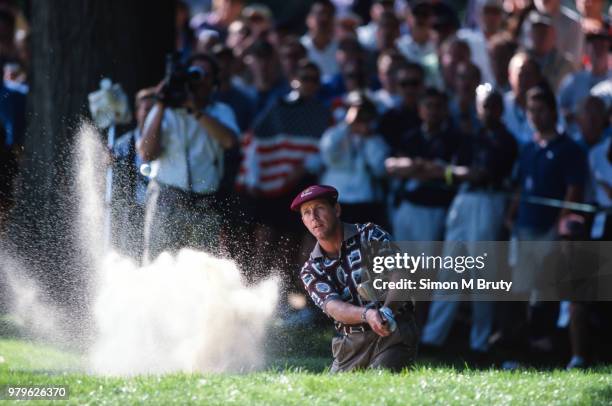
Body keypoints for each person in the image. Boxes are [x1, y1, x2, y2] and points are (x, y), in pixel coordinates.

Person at [421, 85, 518, 354]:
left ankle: (480, 342)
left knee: (481, 275)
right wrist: (454, 172)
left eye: (492, 105)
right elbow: (458, 171)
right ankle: (433, 338)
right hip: (463, 201)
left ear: (500, 108)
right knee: (449, 272)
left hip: (488, 202)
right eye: (483, 105)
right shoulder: (472, 137)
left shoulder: (505, 140)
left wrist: (450, 172)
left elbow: (482, 173)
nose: (487, 111)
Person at [293, 184, 418, 372]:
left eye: (319, 208)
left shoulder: (370, 235)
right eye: (307, 212)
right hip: (350, 344)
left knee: (378, 384)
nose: (314, 217)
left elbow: (400, 275)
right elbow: (334, 307)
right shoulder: (310, 270)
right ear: (303, 221)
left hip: (393, 331)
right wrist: (367, 315)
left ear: (336, 209)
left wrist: (387, 312)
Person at [138, 53, 239, 263]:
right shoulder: (165, 112)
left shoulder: (221, 111)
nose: (198, 81)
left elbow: (229, 141)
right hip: (167, 198)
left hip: (204, 202)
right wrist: (160, 104)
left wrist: (194, 110)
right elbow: (147, 153)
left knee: (201, 270)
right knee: (159, 265)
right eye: (194, 74)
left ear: (214, 82)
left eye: (203, 75)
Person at [320, 91, 390, 226]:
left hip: (366, 201)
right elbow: (327, 151)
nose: (360, 116)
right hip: (338, 200)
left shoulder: (376, 140)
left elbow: (379, 168)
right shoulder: (336, 134)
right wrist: (347, 124)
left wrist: (367, 136)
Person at [111, 87, 156, 261]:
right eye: (146, 109)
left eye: (154, 110)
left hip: (161, 210)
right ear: (137, 112)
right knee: (131, 257)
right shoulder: (124, 143)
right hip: (134, 211)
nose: (149, 114)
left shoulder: (170, 142)